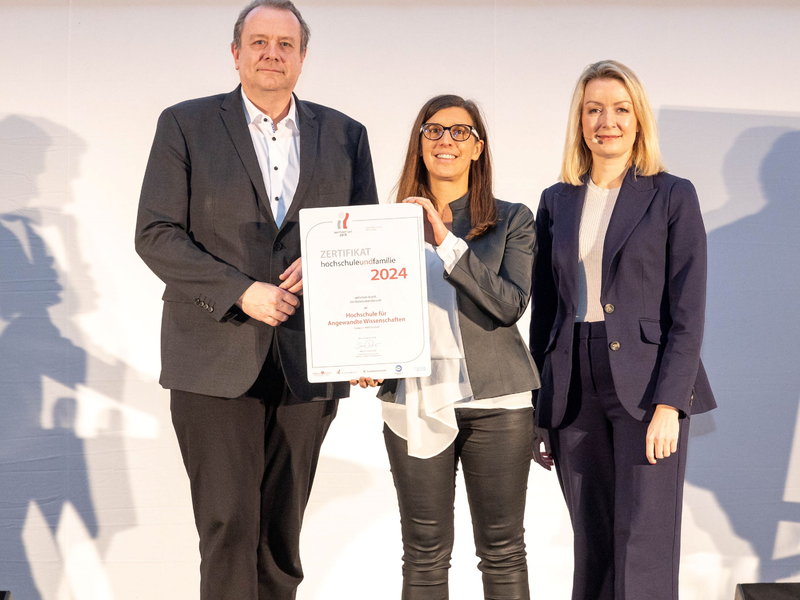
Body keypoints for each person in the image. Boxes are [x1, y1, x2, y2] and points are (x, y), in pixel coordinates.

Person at [134, 1, 378, 598]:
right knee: (227, 524)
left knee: (281, 535)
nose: (273, 53)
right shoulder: (185, 125)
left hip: (310, 361)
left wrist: (350, 307)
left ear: (302, 57)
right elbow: (156, 233)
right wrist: (241, 291)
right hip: (213, 358)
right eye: (260, 42)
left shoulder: (346, 135)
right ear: (236, 53)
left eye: (285, 44)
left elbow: (368, 242)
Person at [529, 60, 717, 600]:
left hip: (648, 384)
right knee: (592, 541)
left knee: (644, 542)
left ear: (638, 120)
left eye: (619, 109)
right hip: (573, 383)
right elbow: (546, 311)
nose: (605, 121)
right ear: (579, 121)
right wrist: (542, 409)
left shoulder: (671, 194)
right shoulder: (556, 200)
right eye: (593, 110)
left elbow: (689, 311)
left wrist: (669, 404)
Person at [354, 94, 540, 600]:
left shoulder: (512, 219)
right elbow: (367, 306)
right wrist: (365, 357)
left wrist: (445, 240)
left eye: (461, 132)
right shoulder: (382, 225)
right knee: (423, 553)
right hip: (413, 395)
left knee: (502, 552)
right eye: (434, 130)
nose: (446, 140)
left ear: (478, 148)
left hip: (497, 402)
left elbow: (508, 305)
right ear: (420, 142)